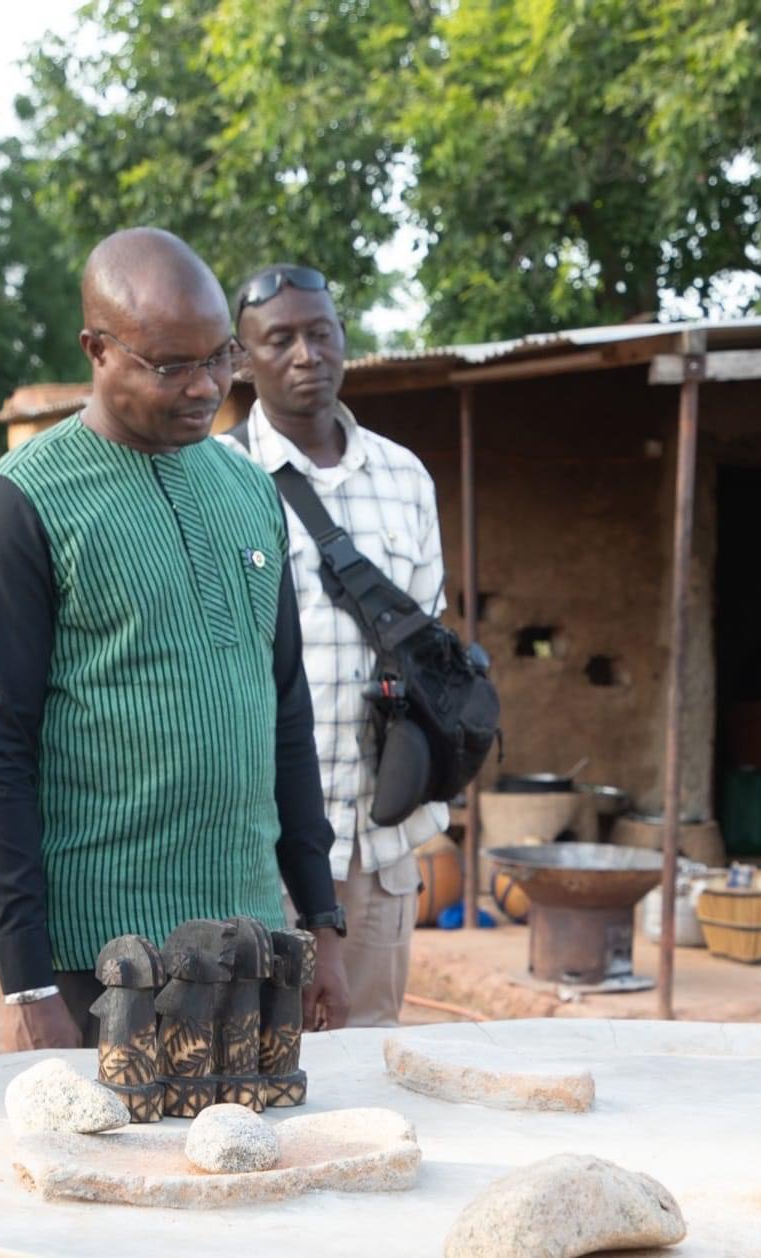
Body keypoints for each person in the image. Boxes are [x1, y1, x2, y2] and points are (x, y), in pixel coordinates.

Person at [0, 229, 348, 1051]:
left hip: (248, 944)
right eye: (171, 366)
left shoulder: (246, 488)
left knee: (247, 1167)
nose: (205, 387)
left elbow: (286, 713)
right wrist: (27, 981)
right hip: (100, 965)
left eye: (220, 358)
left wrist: (322, 920)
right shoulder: (17, 508)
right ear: (96, 349)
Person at [221, 264, 449, 1028]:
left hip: (378, 841)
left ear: (343, 339)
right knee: (259, 1050)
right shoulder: (216, 478)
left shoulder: (405, 477)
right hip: (261, 840)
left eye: (320, 333)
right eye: (278, 339)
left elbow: (429, 645)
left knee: (373, 1050)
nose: (305, 354)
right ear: (242, 358)